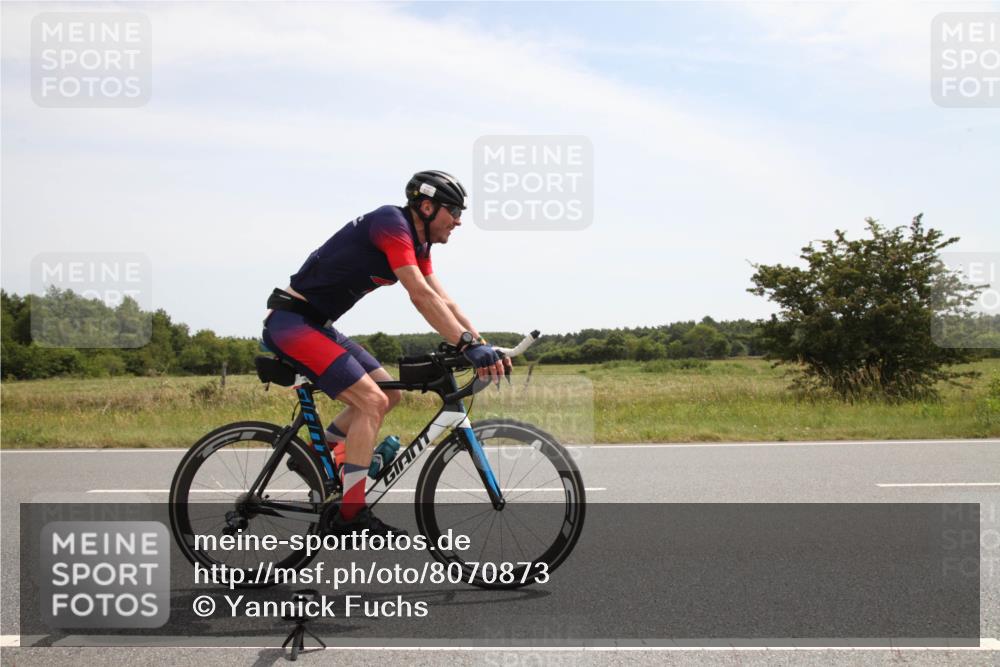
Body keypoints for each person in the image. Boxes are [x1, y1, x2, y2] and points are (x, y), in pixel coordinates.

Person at [262, 170, 511, 537]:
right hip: (291, 322)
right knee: (370, 402)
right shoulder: (390, 223)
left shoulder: (419, 244)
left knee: (389, 393)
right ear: (426, 207)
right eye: (453, 211)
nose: (458, 221)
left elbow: (443, 299)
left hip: (318, 325)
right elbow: (419, 295)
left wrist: (482, 345)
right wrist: (467, 345)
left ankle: (320, 456)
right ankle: (351, 516)